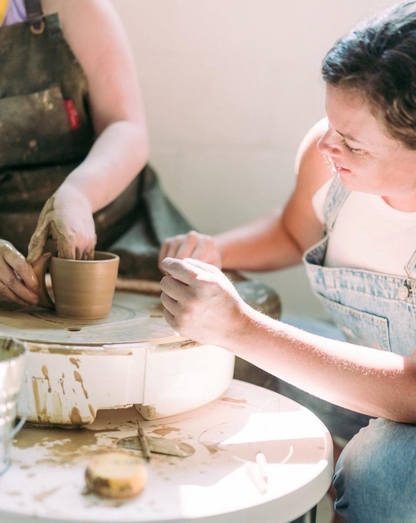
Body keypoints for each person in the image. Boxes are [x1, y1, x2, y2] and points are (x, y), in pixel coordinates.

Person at [159, 2, 416, 521]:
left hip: (407, 396)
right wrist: (214, 252)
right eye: (329, 122)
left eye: (351, 143)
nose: (326, 144)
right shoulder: (327, 161)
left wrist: (239, 326)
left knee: (383, 475)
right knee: (206, 366)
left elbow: (411, 392)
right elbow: (290, 231)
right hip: (360, 365)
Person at [0, 0, 150, 307]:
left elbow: (126, 126)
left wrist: (79, 193)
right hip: (12, 271)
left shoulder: (70, 4)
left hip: (114, 228)